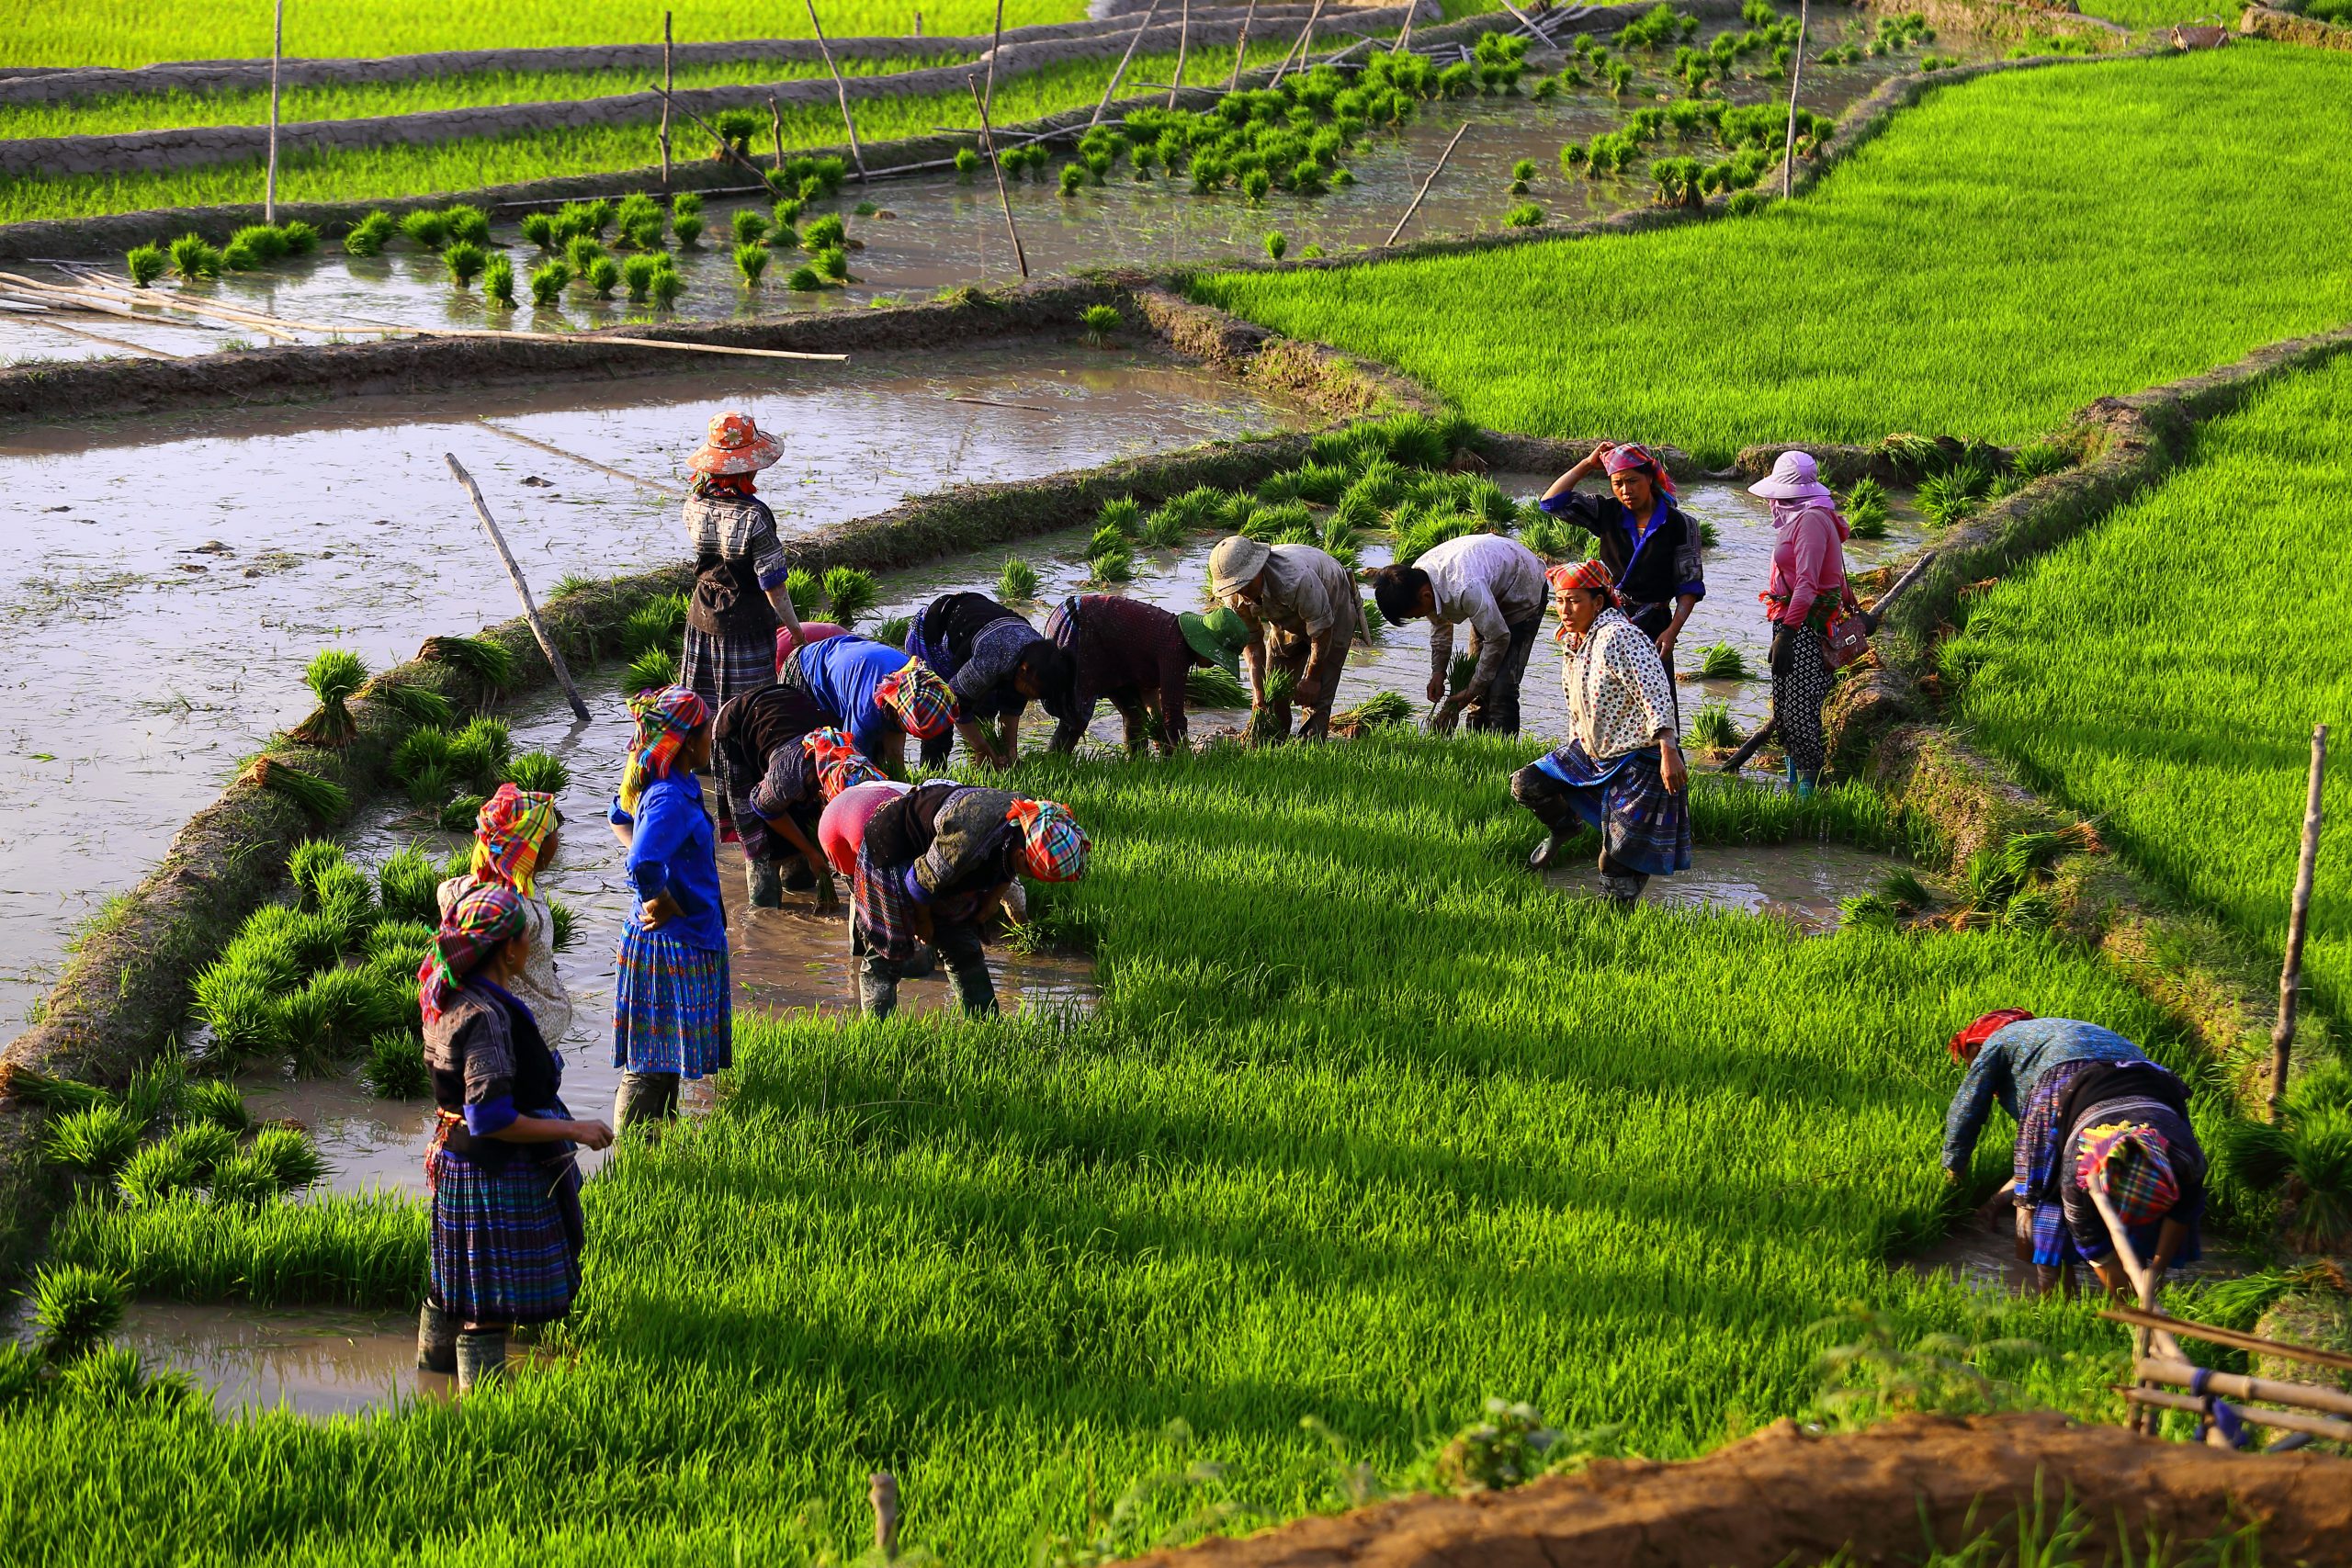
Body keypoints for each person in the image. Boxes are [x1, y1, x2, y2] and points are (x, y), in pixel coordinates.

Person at [414, 883, 613, 1393]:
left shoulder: (447, 995)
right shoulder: (486, 1017)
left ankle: (432, 1382)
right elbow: (490, 1117)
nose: (531, 945)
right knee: (487, 1304)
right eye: (527, 937)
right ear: (506, 950)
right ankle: (484, 1412)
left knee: (452, 1283)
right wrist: (575, 1129)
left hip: (458, 1162)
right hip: (493, 1169)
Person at [1510, 560, 1690, 906]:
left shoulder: (1619, 636)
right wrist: (1574, 750)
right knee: (1528, 783)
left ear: (1598, 602)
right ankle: (1565, 826)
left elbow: (1655, 691)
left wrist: (1669, 749)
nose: (1565, 610)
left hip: (1641, 758)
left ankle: (1614, 918)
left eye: (1574, 601)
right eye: (1560, 601)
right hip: (1594, 752)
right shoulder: (1574, 641)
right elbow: (1578, 706)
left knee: (1617, 859)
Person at [843, 784, 1090, 1019]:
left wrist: (993, 899)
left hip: (941, 860)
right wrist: (923, 923)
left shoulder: (1029, 822)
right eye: (1032, 874)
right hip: (893, 849)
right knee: (889, 951)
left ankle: (985, 1025)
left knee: (963, 945)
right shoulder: (968, 840)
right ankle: (878, 1026)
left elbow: (1008, 865)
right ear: (1022, 856)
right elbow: (919, 882)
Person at [605, 686, 729, 1133]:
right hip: (669, 945)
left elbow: (620, 818)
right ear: (687, 742)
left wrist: (657, 876)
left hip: (682, 938)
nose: (712, 739)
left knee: (664, 1059)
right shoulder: (669, 798)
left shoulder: (672, 785)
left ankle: (656, 1147)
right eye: (707, 731)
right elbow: (642, 860)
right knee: (650, 1064)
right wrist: (657, 896)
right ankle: (635, 1155)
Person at [680, 411, 806, 846]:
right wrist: (795, 631)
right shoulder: (755, 516)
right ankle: (750, 811)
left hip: (702, 617)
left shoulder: (693, 504)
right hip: (747, 626)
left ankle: (696, 805)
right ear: (748, 466)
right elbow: (773, 585)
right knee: (749, 717)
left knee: (702, 711)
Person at [2014, 1053, 2206, 1298]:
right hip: (2082, 1089)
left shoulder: (2186, 1158)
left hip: (2155, 1084)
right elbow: (2092, 1244)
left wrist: (2156, 1270)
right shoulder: (2077, 1178)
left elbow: (2183, 1212)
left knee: (2146, 1242)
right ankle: (2058, 1296)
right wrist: (2126, 1298)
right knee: (2053, 1205)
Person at [1534, 442, 1705, 683]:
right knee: (1605, 690)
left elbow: (1689, 585)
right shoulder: (1607, 511)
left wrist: (1672, 632)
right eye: (1618, 483)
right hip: (1608, 619)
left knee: (1654, 692)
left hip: (1655, 623)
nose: (1626, 490)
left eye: (1633, 481)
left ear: (1650, 478)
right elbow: (1551, 502)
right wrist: (1587, 464)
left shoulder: (1681, 524)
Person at [714, 682, 886, 909]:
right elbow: (762, 806)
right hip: (741, 722)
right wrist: (811, 852)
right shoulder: (790, 774)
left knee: (801, 870)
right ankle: (764, 907)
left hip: (789, 711)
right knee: (762, 849)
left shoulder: (855, 764)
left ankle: (796, 885)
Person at [1750, 450, 1860, 798]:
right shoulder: (1805, 516)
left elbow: (1809, 584)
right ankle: (1792, 785)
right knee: (1785, 709)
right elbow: (1833, 573)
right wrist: (1851, 601)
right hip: (1792, 621)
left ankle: (1807, 796)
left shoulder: (1811, 520)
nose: (1773, 504)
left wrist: (1787, 633)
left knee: (1800, 711)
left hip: (1804, 627)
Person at [1365, 533, 1548, 735]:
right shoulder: (1416, 580)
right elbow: (1440, 626)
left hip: (1524, 587)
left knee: (1502, 688)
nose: (1421, 617)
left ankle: (1503, 749)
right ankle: (1475, 742)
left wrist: (1473, 688)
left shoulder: (1465, 587)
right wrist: (1438, 672)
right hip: (1490, 587)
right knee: (1474, 675)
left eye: (1417, 615)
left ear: (1425, 596)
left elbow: (1498, 637)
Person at [436, 783, 572, 1045]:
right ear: (535, 847)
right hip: (525, 1038)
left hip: (511, 1029)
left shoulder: (463, 890)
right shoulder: (520, 910)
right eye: (553, 833)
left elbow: (444, 891)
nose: (558, 840)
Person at [1940, 1010, 2146, 1181]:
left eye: (1971, 1062)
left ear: (1979, 1046)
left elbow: (1968, 1106)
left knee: (2061, 1169)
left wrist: (1953, 1170)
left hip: (2070, 1069)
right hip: (2144, 1073)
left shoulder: (1997, 1040)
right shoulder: (2047, 1032)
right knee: (2132, 1154)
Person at [1040, 595, 1252, 757]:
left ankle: (1138, 764)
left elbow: (1149, 694)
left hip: (1110, 647)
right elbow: (1173, 716)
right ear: (1205, 644)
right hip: (1080, 623)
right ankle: (1054, 763)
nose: (1214, 664)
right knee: (1076, 716)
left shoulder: (1175, 640)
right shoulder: (1176, 649)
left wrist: (1160, 732)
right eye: (1216, 658)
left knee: (1136, 714)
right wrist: (1183, 755)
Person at [1207, 536, 1368, 741]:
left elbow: (1322, 631)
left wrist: (1312, 678)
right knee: (1274, 693)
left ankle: (1310, 746)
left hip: (1333, 603)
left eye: (1246, 584)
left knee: (1316, 695)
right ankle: (1277, 740)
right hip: (1285, 611)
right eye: (1236, 588)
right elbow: (1252, 641)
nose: (1243, 593)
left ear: (1259, 568)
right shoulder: (1234, 595)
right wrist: (1258, 691)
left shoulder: (1295, 579)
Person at [904, 592, 1069, 769]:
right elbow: (955, 701)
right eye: (1030, 693)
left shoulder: (1037, 656)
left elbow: (1012, 703)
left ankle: (980, 768)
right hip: (931, 634)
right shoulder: (992, 658)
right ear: (1023, 670)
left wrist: (1011, 751)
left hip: (975, 632)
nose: (1028, 699)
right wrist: (981, 747)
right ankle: (931, 774)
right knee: (939, 720)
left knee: (984, 713)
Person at [777, 631, 956, 773]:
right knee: (819, 760)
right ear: (897, 711)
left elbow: (894, 752)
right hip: (805, 672)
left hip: (845, 661)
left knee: (883, 760)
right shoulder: (866, 712)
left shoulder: (913, 680)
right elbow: (853, 763)